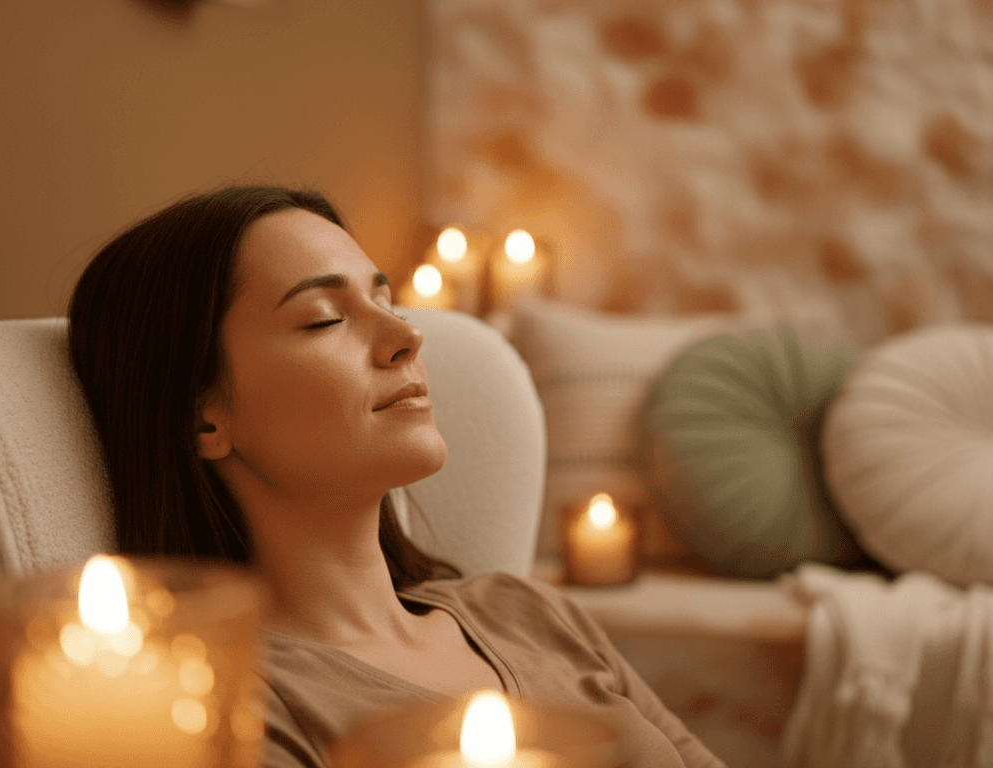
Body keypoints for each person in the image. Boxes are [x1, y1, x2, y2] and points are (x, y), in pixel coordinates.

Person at [68, 184, 726, 768]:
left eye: (388, 301)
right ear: (204, 419)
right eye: (324, 318)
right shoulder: (234, 711)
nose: (404, 336)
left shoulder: (527, 612)